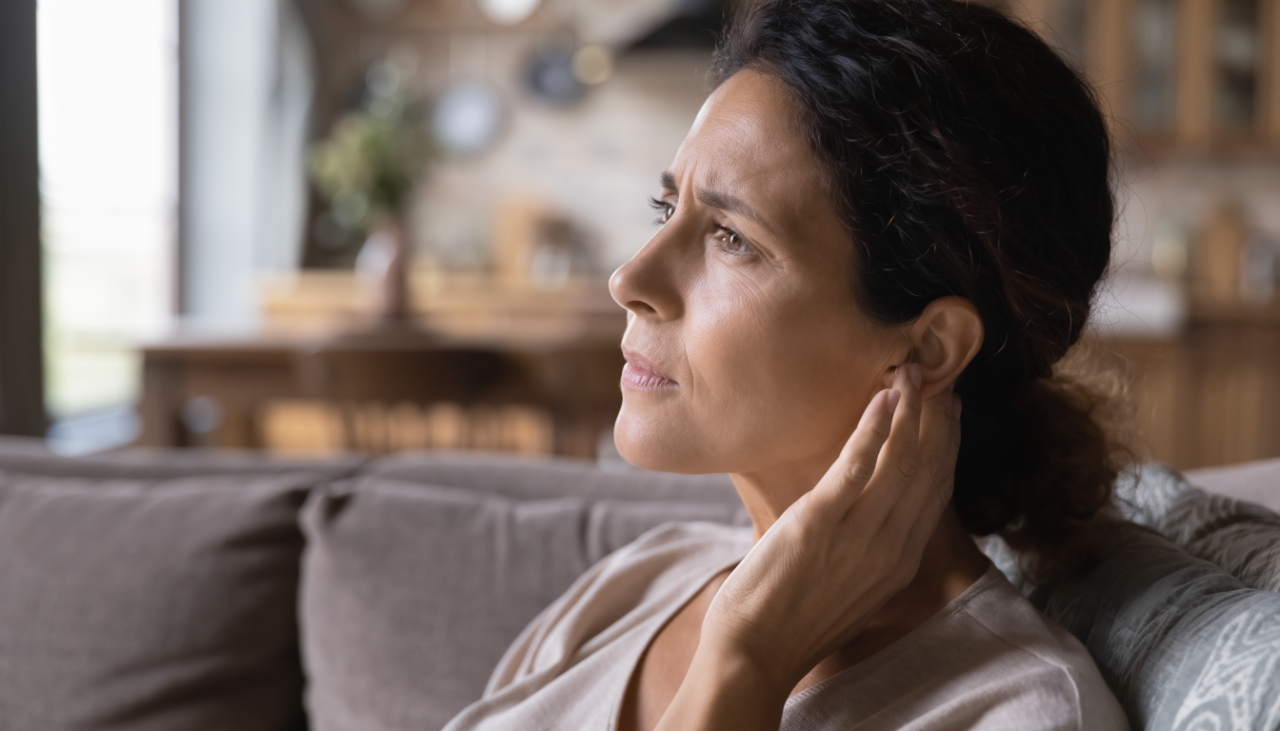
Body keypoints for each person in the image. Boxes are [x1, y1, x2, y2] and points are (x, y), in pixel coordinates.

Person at [445, 0, 1131, 728]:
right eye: (664, 206)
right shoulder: (638, 585)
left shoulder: (1015, 711)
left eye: (731, 238)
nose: (630, 280)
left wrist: (749, 658)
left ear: (927, 348)